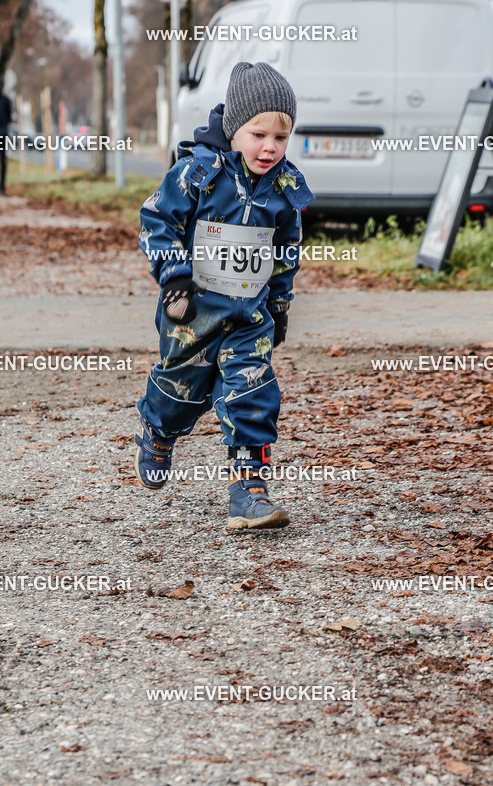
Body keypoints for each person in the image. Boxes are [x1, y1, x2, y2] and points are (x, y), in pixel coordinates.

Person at [135, 61, 314, 530]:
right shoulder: (199, 172)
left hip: (248, 316)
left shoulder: (284, 188)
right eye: (259, 134)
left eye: (281, 137)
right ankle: (158, 428)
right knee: (184, 393)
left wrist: (278, 305)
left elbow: (285, 252)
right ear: (235, 129)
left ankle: (249, 491)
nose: (270, 147)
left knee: (252, 391)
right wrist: (173, 275)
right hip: (192, 311)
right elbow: (157, 220)